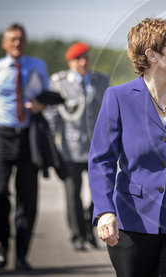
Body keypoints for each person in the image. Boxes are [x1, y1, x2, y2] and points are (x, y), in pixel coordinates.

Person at [88, 18, 166, 276]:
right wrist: (104, 211)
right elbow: (101, 160)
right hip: (131, 221)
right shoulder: (118, 98)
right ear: (152, 55)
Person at [0, 23, 49, 271]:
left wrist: (40, 105)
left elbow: (47, 97)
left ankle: (22, 255)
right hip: (1, 137)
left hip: (28, 138)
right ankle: (3, 243)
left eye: (20, 39)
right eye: (12, 39)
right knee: (0, 194)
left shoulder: (38, 66)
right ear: (4, 44)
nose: (16, 43)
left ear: (25, 42)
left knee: (29, 198)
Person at [44, 42, 109, 251]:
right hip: (70, 150)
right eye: (78, 59)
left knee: (97, 194)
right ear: (70, 62)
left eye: (86, 57)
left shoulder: (102, 80)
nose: (83, 62)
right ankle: (77, 236)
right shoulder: (60, 82)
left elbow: (109, 115)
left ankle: (89, 230)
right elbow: (52, 117)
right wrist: (51, 147)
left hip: (97, 149)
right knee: (73, 194)